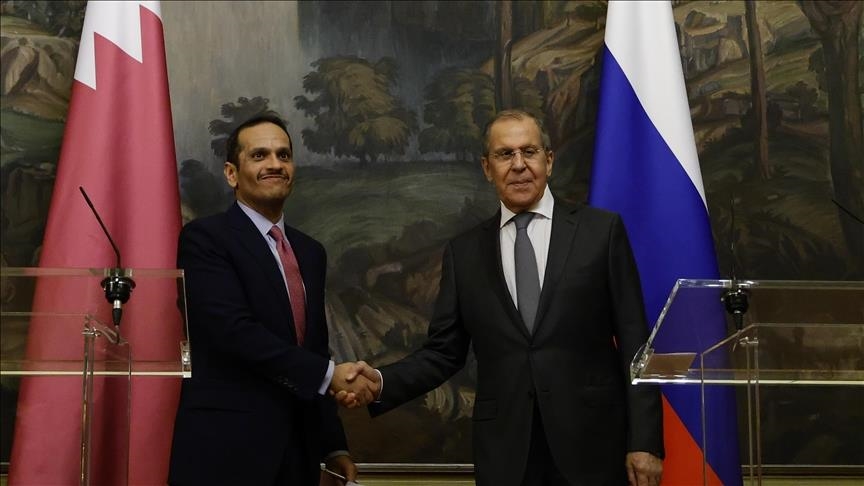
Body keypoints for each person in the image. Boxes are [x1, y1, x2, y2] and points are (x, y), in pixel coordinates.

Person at [336, 110, 664, 486]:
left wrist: (645, 441)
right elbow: (443, 353)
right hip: (507, 454)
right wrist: (380, 381)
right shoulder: (465, 253)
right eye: (505, 154)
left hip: (593, 446)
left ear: (549, 160)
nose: (519, 165)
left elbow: (637, 345)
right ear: (487, 168)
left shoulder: (601, 232)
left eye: (529, 151)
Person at [168, 114, 373, 485]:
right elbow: (232, 331)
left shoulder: (310, 252)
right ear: (232, 174)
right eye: (259, 155)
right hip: (225, 454)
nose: (275, 164)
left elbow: (314, 349)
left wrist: (333, 446)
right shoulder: (205, 239)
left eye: (284, 155)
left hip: (298, 456)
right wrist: (330, 376)